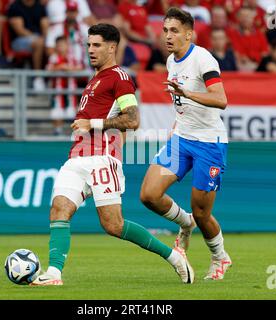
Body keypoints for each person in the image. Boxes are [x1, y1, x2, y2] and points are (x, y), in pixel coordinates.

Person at [29, 23, 194, 286]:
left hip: (103, 158)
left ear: (112, 47)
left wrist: (93, 124)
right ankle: (54, 273)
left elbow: (132, 120)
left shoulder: (120, 77)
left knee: (113, 225)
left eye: (96, 45)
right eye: (88, 45)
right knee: (59, 210)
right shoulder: (95, 79)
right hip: (76, 157)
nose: (90, 50)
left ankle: (174, 256)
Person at [139, 7, 232, 281]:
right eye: (165, 30)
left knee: (203, 213)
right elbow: (180, 105)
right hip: (182, 139)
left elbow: (221, 99)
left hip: (209, 144)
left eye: (174, 30)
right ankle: (184, 222)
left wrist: (188, 93)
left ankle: (220, 257)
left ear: (189, 34)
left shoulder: (204, 59)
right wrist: (175, 128)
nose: (168, 35)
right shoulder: (171, 61)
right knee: (148, 195)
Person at [8, 0, 49, 90]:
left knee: (51, 44)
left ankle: (52, 78)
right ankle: (37, 77)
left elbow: (45, 25)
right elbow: (20, 30)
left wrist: (46, 40)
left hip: (39, 39)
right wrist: (39, 39)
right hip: (18, 41)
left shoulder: (40, 6)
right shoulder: (15, 6)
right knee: (39, 43)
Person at [47, 36, 83, 136]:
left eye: (63, 45)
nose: (61, 47)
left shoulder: (72, 57)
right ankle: (57, 130)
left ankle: (77, 132)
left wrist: (70, 69)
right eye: (58, 45)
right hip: (57, 91)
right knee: (57, 110)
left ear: (67, 46)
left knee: (74, 110)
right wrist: (60, 67)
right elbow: (49, 69)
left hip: (71, 91)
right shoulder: (53, 57)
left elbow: (80, 68)